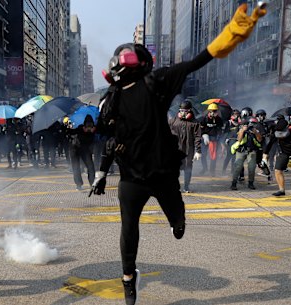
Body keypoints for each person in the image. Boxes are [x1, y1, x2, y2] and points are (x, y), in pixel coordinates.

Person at [90, 5, 266, 304]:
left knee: (176, 216)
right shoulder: (112, 98)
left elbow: (200, 59)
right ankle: (128, 278)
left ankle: (177, 220)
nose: (121, 66)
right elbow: (110, 140)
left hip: (163, 173)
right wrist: (101, 172)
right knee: (128, 228)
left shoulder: (156, 82)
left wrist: (233, 32)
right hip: (132, 176)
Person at [169, 99, 202, 193]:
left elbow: (198, 137)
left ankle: (186, 187)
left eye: (185, 111)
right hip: (175, 150)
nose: (183, 113)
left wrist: (198, 151)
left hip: (188, 150)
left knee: (188, 168)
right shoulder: (173, 121)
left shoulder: (195, 123)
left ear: (190, 111)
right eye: (181, 111)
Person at [230, 117, 263, 190]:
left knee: (252, 167)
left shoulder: (254, 130)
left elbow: (260, 139)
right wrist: (242, 131)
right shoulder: (239, 128)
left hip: (251, 151)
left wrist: (256, 132)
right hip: (241, 150)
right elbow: (239, 139)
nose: (250, 126)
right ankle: (234, 183)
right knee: (238, 167)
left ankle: (251, 183)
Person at [68, 115, 96, 190]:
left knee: (90, 166)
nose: (89, 128)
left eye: (91, 126)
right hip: (74, 149)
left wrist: (92, 132)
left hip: (85, 149)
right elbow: (71, 132)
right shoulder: (79, 129)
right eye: (87, 126)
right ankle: (78, 184)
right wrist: (69, 127)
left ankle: (92, 183)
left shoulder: (93, 131)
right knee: (76, 167)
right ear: (84, 126)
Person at [199, 103, 223, 176]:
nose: (214, 112)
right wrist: (204, 135)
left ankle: (212, 171)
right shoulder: (204, 118)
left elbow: (220, 129)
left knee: (213, 156)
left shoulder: (219, 119)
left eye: (215, 111)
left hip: (214, 139)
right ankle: (204, 168)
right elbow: (200, 129)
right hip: (205, 139)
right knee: (203, 155)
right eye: (213, 111)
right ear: (209, 111)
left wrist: (219, 137)